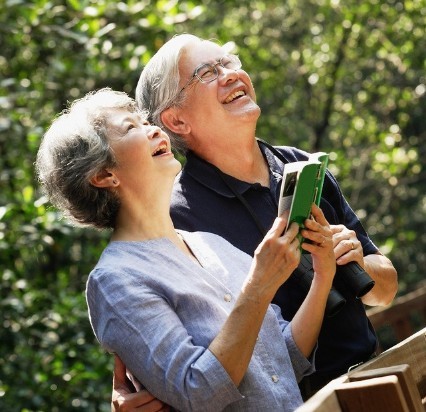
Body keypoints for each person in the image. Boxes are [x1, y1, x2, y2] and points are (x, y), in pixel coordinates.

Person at [114, 33, 398, 408]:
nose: (229, 74)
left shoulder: (300, 165)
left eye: (230, 62)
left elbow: (386, 290)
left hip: (375, 377)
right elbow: (162, 349)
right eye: (207, 72)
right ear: (176, 120)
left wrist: (358, 262)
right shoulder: (174, 216)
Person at [35, 88, 337, 411]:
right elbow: (198, 390)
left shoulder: (211, 244)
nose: (153, 129)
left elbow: (285, 357)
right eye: (130, 127)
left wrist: (323, 276)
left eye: (144, 120)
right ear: (104, 175)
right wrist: (259, 286)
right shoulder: (113, 282)